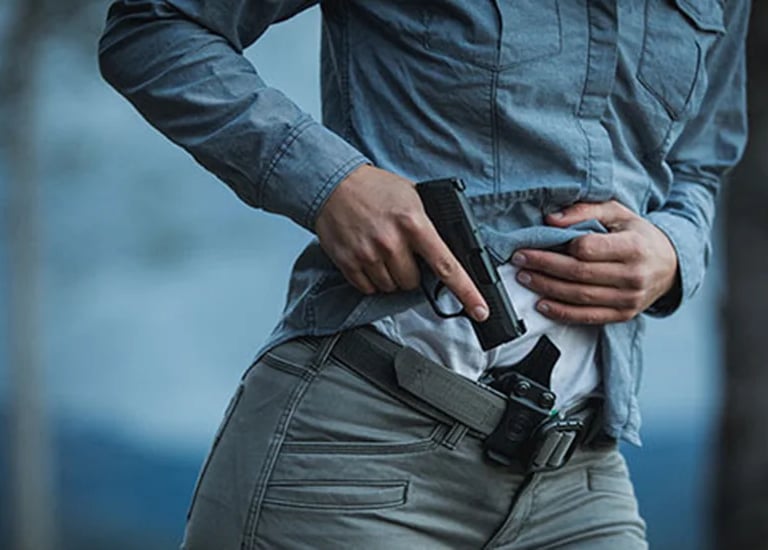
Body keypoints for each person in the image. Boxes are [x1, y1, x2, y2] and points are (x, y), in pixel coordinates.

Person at [99, 1, 749, 548]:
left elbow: (700, 161)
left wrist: (674, 251)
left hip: (577, 475)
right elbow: (155, 25)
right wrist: (331, 185)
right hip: (353, 458)